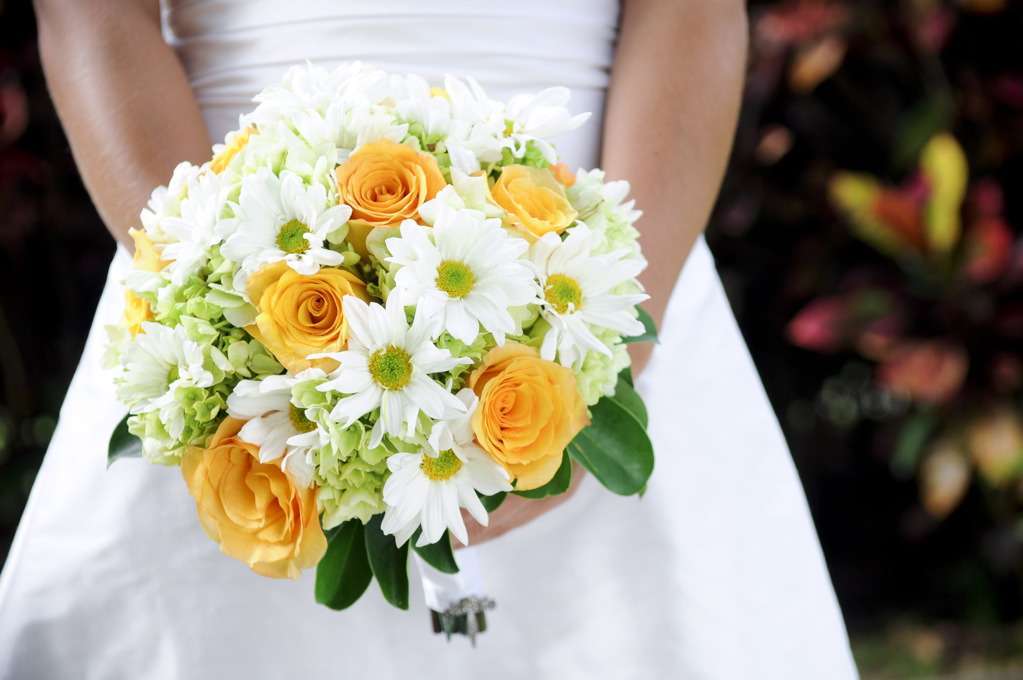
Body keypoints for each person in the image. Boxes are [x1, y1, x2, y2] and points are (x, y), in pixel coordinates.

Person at [0, 1, 858, 677]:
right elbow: (89, 14)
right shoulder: (219, 297)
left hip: (593, 248)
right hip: (226, 237)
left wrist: (597, 368)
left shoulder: (599, 321)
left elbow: (693, 10)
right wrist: (215, 289)